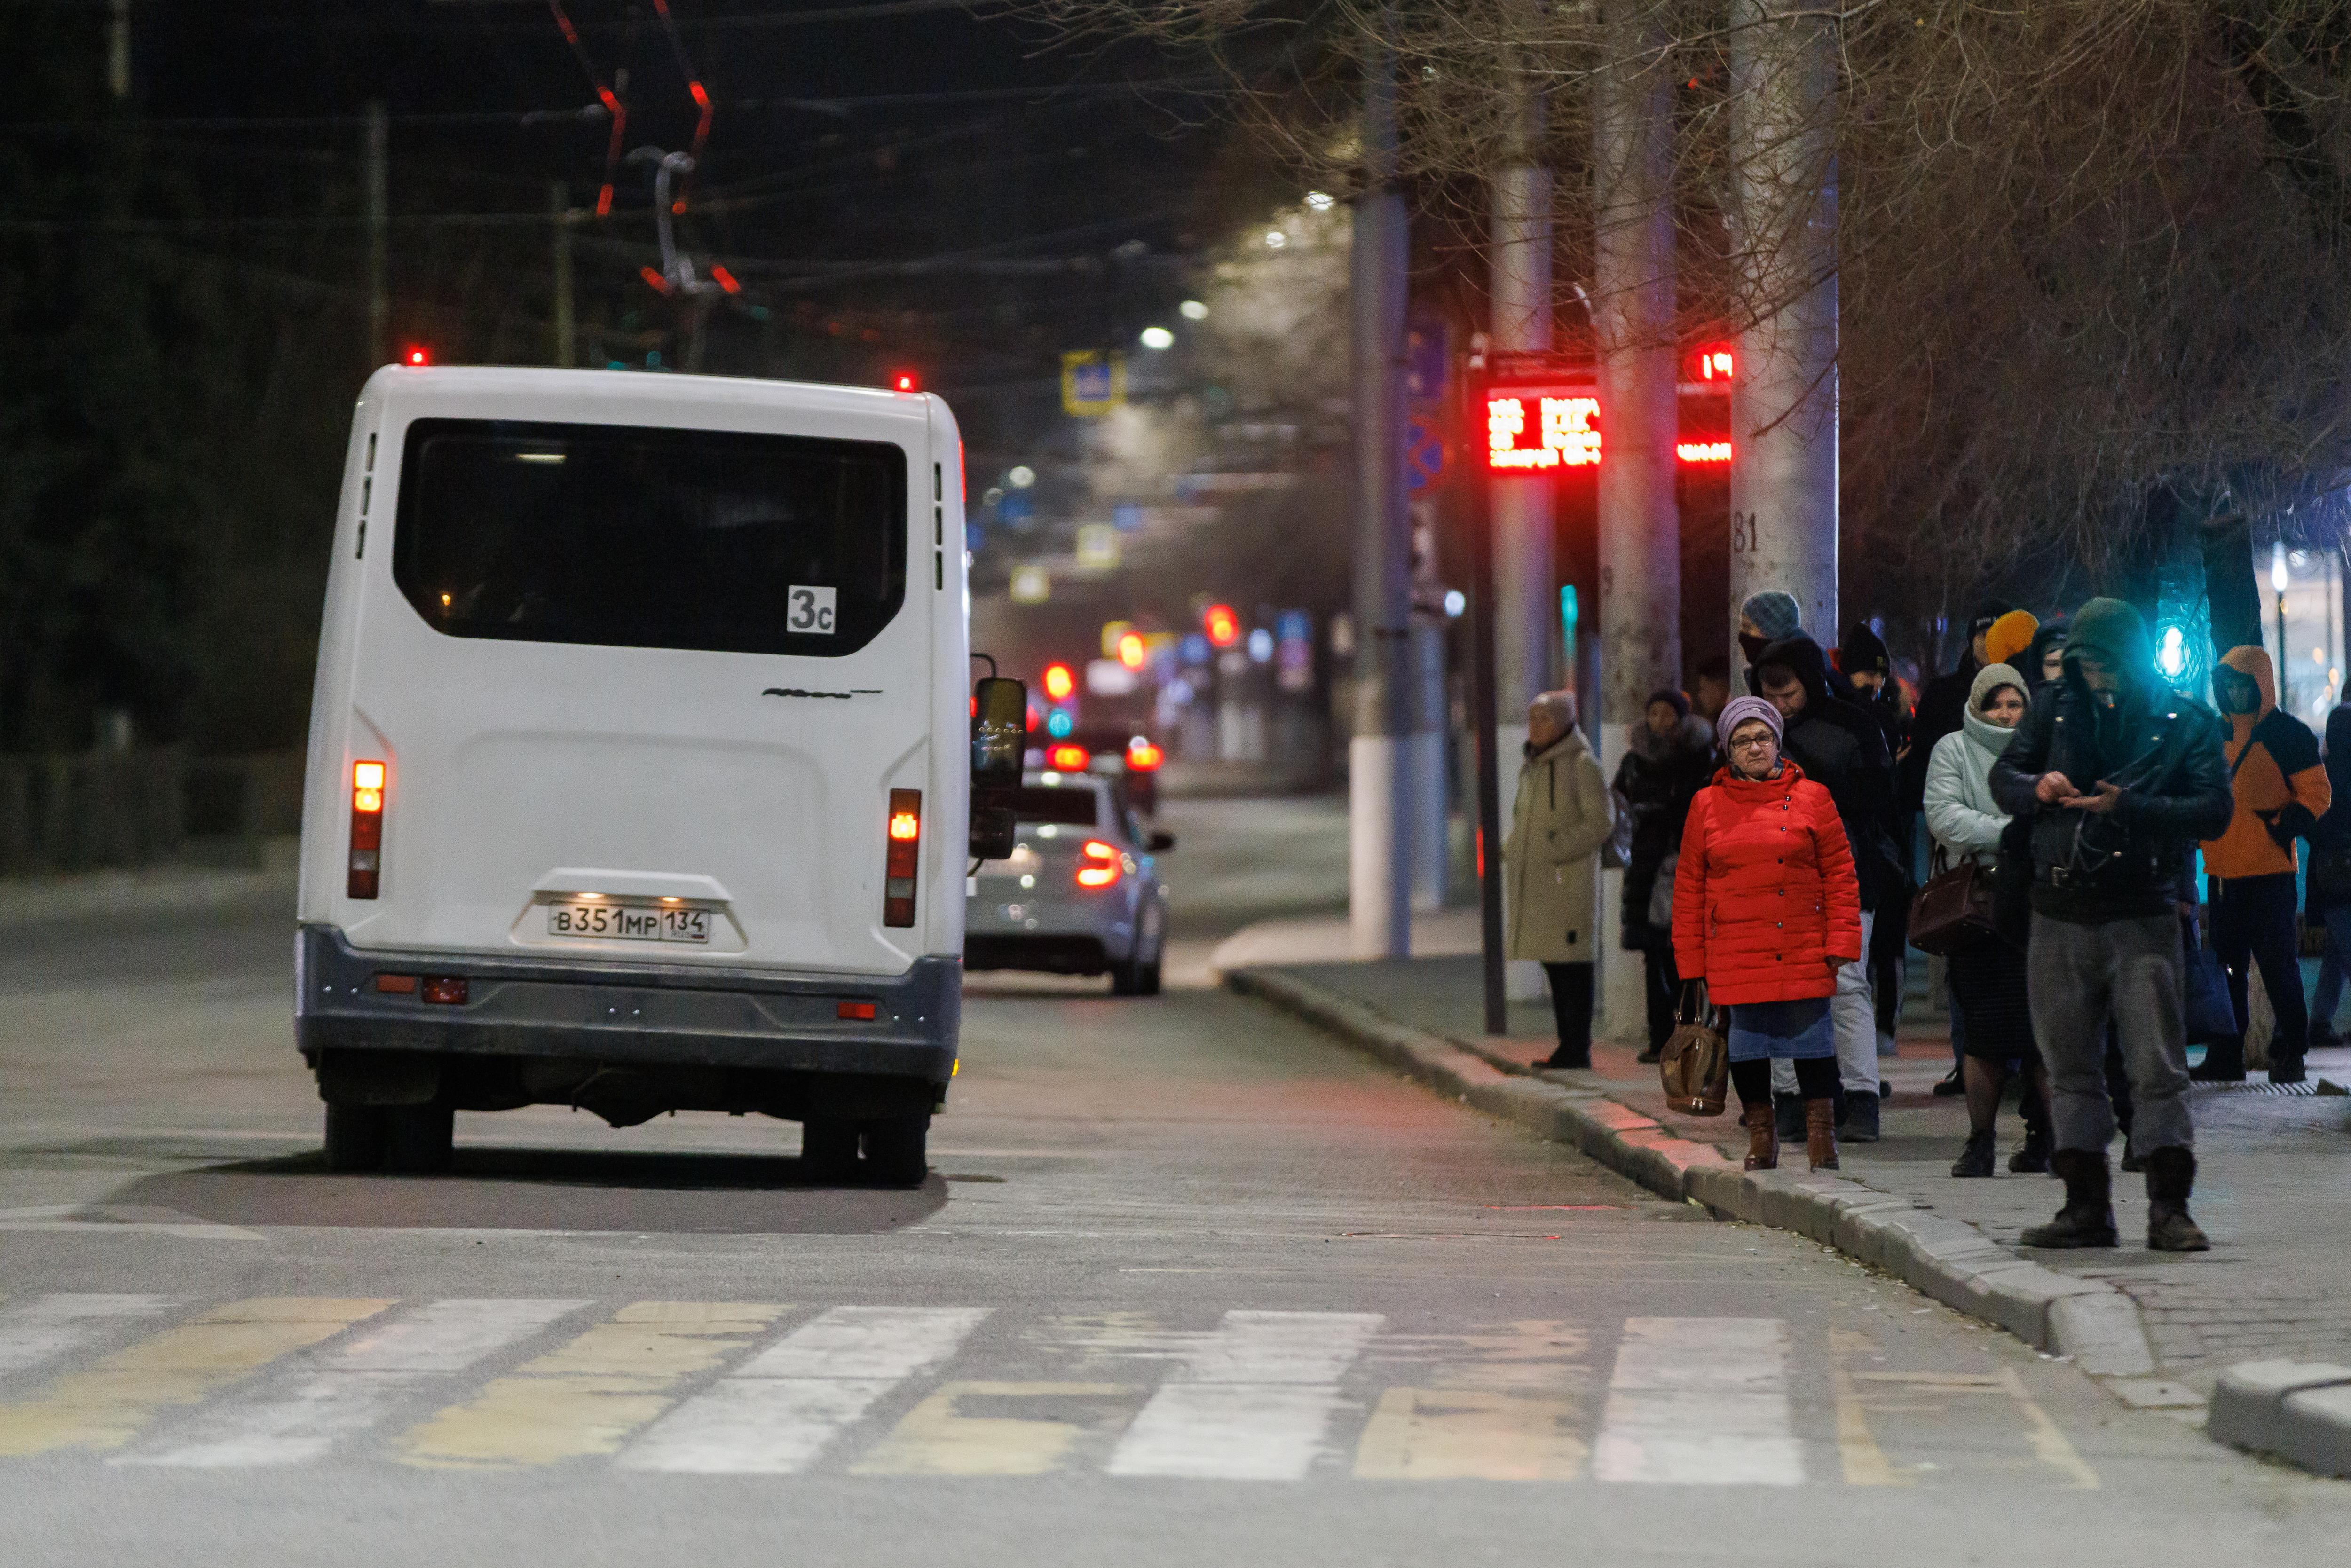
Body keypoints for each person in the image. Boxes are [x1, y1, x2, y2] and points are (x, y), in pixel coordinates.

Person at [1990, 597, 2233, 1252]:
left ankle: (2169, 1206)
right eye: (2086, 665)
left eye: (2107, 664)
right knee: (2069, 1065)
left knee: (2156, 1065)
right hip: (2059, 907)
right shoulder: (2052, 705)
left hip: (2141, 910)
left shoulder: (2184, 719)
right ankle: (2085, 1205)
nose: (2098, 677)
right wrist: (2036, 787)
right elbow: (2003, 775)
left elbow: (2214, 809)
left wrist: (2131, 807)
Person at [1673, 696, 1862, 1172]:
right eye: (1742, 740)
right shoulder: (1705, 804)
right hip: (1735, 946)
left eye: (1763, 737)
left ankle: (1822, 1136)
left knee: (1813, 1042)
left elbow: (1840, 873)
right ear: (1726, 750)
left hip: (1800, 940)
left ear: (1778, 742)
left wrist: (1840, 942)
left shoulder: (1813, 797)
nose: (1754, 747)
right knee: (1747, 1048)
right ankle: (1762, 1135)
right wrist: (1691, 965)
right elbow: (1689, 886)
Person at [1753, 634, 1898, 1140]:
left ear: (1810, 681)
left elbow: (1880, 796)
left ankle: (1861, 1099)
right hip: (1775, 878)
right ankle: (1790, 1101)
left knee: (1846, 985)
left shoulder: (1852, 723)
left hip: (1846, 871)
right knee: (1782, 990)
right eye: (1769, 693)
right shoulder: (1755, 732)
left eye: (1787, 691)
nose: (1779, 704)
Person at [1923, 663, 2050, 1176]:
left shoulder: (2041, 747)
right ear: (1977, 704)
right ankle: (1980, 1140)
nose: (2004, 712)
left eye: (2013, 702)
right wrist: (2012, 833)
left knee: (2043, 1029)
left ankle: (2046, 1137)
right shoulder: (1952, 749)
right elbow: (1944, 816)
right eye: (1994, 702)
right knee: (1983, 1030)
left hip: (2038, 905)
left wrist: (2001, 832)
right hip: (1979, 909)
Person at [2195, 646, 2330, 1083]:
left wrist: (2281, 826)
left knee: (2278, 967)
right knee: (2226, 969)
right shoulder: (2213, 734)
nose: (2236, 693)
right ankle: (2226, 1052)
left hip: (2270, 873)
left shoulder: (2287, 734)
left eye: (2243, 685)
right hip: (2223, 874)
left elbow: (2317, 792)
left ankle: (2292, 1049)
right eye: (2229, 685)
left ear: (2261, 686)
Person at [1505, 690, 1614, 1070]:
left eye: (1545, 718)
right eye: (1532, 718)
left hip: (1567, 883)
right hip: (1541, 884)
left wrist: (1556, 847)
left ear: (1565, 721)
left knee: (1573, 968)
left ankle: (1576, 1047)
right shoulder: (1534, 765)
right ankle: (1567, 1045)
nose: (1535, 726)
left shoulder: (1582, 764)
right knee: (1555, 965)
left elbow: (1601, 821)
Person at [1614, 688, 1718, 1062]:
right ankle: (1660, 1038)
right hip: (1645, 865)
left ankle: (1689, 1038)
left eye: (1667, 713)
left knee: (1685, 958)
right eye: (1654, 712)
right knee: (1653, 956)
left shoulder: (1697, 758)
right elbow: (1619, 807)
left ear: (1682, 717)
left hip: (1682, 865)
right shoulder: (1634, 761)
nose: (1660, 720)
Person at [1842, 622, 1916, 1062]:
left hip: (1888, 848)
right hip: (1866, 848)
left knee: (1887, 944)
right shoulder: (1855, 720)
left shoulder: (1886, 718)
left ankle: (1884, 1025)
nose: (1875, 684)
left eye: (1882, 677)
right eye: (1870, 674)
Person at [2305, 702, 2351, 1047]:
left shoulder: (2324, 771)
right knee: (2344, 947)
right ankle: (2319, 1021)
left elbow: (2313, 824)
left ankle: (2321, 1019)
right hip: (2343, 873)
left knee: (2338, 950)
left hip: (2329, 872)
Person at [1693, 655, 1733, 727]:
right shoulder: (1721, 721)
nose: (1700, 695)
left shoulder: (1732, 722)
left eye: (1703, 688)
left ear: (1721, 687)